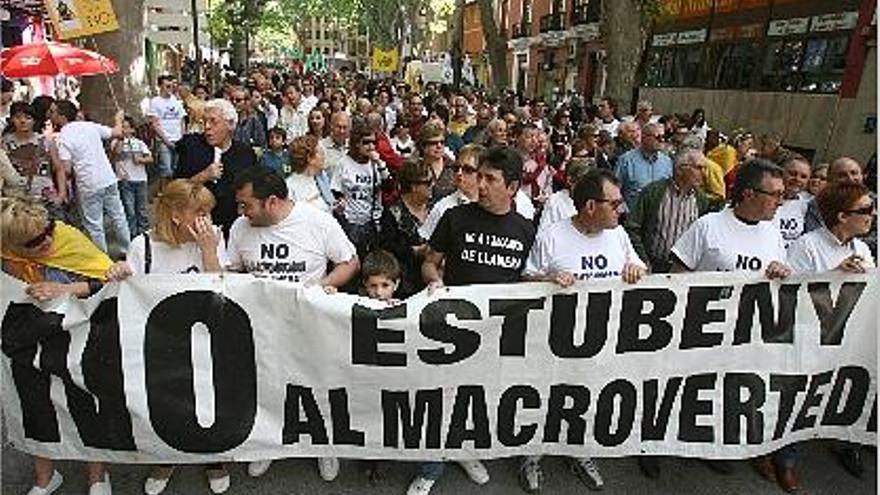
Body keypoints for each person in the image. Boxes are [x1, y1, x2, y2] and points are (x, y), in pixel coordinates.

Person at [414, 146, 535, 495]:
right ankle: (430, 466)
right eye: (478, 177)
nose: (480, 185)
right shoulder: (456, 218)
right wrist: (433, 279)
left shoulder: (526, 230)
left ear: (512, 187)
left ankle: (465, 451)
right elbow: (429, 262)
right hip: (452, 328)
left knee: (477, 398)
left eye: (490, 179)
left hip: (497, 333)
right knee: (440, 398)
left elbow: (529, 280)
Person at [227, 167, 358, 481]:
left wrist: (324, 285)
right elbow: (231, 270)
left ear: (271, 201)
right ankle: (270, 444)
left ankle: (324, 444)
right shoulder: (239, 228)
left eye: (247, 205)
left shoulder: (317, 221)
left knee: (319, 385)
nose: (241, 212)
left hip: (310, 324)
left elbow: (350, 261)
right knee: (270, 387)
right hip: (263, 327)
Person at [520, 169, 647, 493]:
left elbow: (639, 268)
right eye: (615, 203)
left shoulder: (618, 235)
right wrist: (547, 281)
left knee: (588, 399)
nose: (622, 209)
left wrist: (637, 268)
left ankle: (581, 452)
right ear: (591, 205)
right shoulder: (552, 236)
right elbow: (525, 281)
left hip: (603, 339)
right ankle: (533, 456)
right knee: (548, 398)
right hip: (556, 339)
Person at [106, 180, 229, 495]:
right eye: (199, 212)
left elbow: (224, 290)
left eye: (208, 212)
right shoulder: (141, 246)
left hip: (205, 336)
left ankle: (214, 456)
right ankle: (166, 458)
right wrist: (119, 275)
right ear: (176, 214)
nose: (207, 220)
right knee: (168, 402)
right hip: (161, 342)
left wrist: (208, 252)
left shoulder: (212, 239)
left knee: (211, 399)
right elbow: (130, 293)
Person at [0, 196, 120, 495]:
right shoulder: (4, 254)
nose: (47, 240)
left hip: (79, 335)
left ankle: (97, 475)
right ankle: (45, 477)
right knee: (35, 405)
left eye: (49, 228)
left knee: (88, 401)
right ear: (11, 245)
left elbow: (105, 283)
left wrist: (63, 289)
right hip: (28, 339)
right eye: (34, 241)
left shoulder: (69, 238)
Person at [51, 100, 131, 256]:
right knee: (119, 216)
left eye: (53, 112)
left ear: (61, 116)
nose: (51, 115)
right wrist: (118, 119)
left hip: (88, 184)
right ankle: (126, 250)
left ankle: (102, 259)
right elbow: (117, 132)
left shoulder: (63, 138)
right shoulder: (89, 126)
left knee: (94, 225)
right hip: (108, 178)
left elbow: (66, 169)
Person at [625, 148, 717, 273]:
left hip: (683, 269)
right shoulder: (653, 193)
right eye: (699, 168)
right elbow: (633, 227)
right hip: (653, 267)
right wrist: (643, 260)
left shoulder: (701, 200)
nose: (704, 174)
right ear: (680, 170)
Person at [176, 98, 257, 235]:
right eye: (204, 121)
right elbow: (175, 190)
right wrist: (202, 176)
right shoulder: (191, 148)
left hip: (234, 227)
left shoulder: (245, 153)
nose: (207, 126)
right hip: (196, 226)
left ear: (230, 125)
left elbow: (253, 189)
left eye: (213, 121)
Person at [331, 119, 389, 257]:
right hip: (352, 222)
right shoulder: (343, 164)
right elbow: (335, 189)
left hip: (373, 221)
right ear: (357, 143)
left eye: (373, 142)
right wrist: (340, 202)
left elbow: (388, 187)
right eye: (366, 142)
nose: (370, 146)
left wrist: (380, 164)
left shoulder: (376, 164)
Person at [378, 159, 432, 297]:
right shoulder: (393, 213)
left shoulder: (436, 208)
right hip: (406, 283)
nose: (433, 185)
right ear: (414, 186)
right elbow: (387, 247)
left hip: (435, 280)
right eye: (428, 183)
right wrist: (414, 251)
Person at [1, 101, 65, 215]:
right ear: (12, 120)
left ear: (34, 120)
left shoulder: (46, 141)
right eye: (18, 117)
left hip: (44, 198)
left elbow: (59, 168)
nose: (22, 121)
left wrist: (61, 195)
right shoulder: (5, 142)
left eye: (28, 117)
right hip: (15, 201)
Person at [110, 116, 153, 239]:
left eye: (127, 127)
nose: (124, 130)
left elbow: (150, 158)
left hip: (140, 179)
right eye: (122, 127)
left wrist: (140, 159)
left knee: (142, 209)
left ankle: (144, 234)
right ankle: (133, 236)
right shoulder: (116, 142)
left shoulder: (139, 143)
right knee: (130, 211)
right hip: (125, 180)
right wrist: (121, 140)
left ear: (133, 130)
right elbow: (116, 153)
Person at [615, 122, 673, 210]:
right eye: (658, 137)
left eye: (663, 137)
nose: (662, 140)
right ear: (644, 137)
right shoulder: (626, 160)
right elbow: (615, 188)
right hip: (632, 215)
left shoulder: (667, 162)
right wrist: (624, 210)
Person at [536, 157, 590, 233]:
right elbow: (544, 232)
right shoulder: (555, 201)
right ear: (570, 180)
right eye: (585, 182)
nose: (589, 187)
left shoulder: (595, 202)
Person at [148, 75, 186, 179]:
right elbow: (155, 123)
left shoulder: (177, 100)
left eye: (171, 86)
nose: (170, 89)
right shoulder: (155, 101)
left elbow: (182, 119)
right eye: (167, 86)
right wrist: (166, 140)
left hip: (178, 139)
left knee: (176, 168)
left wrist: (182, 137)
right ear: (160, 86)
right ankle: (163, 192)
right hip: (164, 140)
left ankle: (173, 191)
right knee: (166, 169)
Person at [286, 134, 334, 212]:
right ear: (310, 158)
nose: (324, 156)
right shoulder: (290, 187)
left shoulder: (322, 178)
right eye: (321, 152)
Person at [774, 156, 811, 248]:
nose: (797, 179)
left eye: (803, 177)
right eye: (793, 174)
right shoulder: (764, 198)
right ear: (781, 173)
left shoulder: (807, 204)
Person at [419, 122, 455, 202]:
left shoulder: (454, 167)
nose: (439, 146)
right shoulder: (416, 168)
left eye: (442, 142)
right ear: (423, 146)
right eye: (433, 143)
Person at [321, 111, 350, 179]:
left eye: (345, 127)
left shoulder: (353, 147)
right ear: (331, 126)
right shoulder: (321, 147)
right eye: (338, 127)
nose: (341, 131)